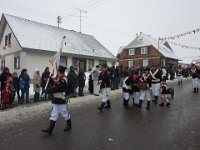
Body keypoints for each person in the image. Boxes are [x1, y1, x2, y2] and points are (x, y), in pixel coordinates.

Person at [42, 65, 71, 135]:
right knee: (53, 114)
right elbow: (53, 84)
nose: (56, 72)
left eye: (57, 71)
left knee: (65, 114)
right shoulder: (58, 78)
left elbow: (58, 88)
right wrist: (50, 78)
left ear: (60, 72)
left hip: (61, 99)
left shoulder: (63, 79)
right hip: (55, 99)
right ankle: (50, 129)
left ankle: (69, 125)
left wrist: (48, 91)